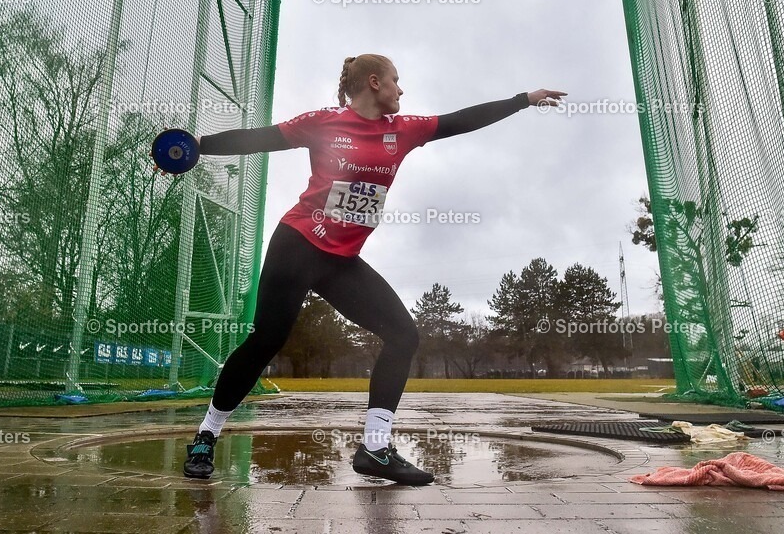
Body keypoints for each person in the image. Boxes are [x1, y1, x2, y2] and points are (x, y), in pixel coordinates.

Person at [182, 53, 565, 485]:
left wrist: (523, 100)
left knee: (403, 333)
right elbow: (259, 138)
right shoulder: (324, 122)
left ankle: (376, 449)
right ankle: (206, 436)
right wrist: (197, 146)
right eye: (396, 80)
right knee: (267, 340)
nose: (402, 90)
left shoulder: (403, 131)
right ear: (374, 83)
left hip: (340, 261)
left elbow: (461, 120)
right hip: (297, 245)